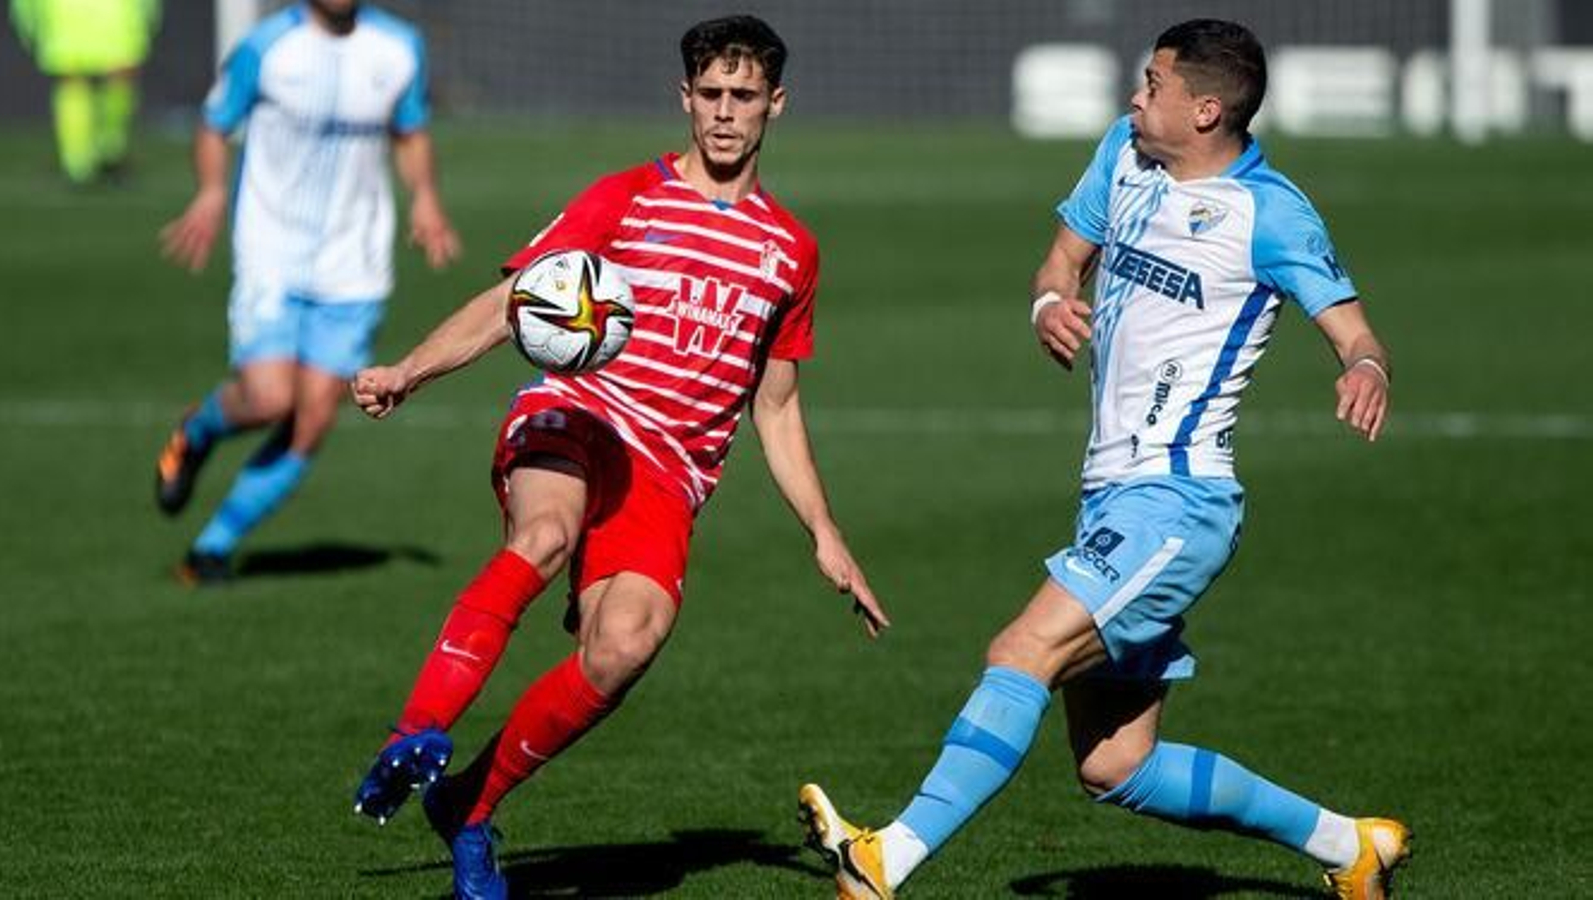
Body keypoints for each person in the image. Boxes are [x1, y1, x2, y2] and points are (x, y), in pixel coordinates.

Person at [799, 19, 1408, 900]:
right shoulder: (1123, 153)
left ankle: (884, 860)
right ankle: (1352, 846)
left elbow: (1355, 331)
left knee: (1020, 651)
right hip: (1111, 498)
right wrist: (1050, 302)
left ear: (1204, 109)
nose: (1134, 96)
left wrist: (1364, 367)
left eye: (1152, 82)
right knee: (1117, 765)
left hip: (1177, 504)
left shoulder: (1269, 211)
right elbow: (1061, 259)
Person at [348, 15, 890, 899]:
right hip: (576, 414)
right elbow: (509, 303)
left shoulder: (791, 251)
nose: (723, 113)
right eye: (709, 94)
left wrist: (824, 534)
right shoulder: (625, 197)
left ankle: (469, 806)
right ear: (685, 98)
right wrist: (411, 370)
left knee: (626, 644)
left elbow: (777, 406)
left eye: (742, 96)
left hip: (667, 470)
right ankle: (419, 729)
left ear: (775, 104)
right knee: (545, 538)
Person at [154, 0, 461, 584]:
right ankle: (196, 430)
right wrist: (211, 191)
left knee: (313, 415)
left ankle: (211, 548)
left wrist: (424, 195)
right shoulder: (267, 45)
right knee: (270, 397)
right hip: (271, 250)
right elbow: (216, 124)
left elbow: (410, 130)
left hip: (355, 263)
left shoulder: (398, 47)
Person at [9, 0, 160, 185]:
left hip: (80, 12)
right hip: (99, 12)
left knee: (101, 77)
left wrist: (29, 21)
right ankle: (93, 156)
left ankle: (92, 156)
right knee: (81, 78)